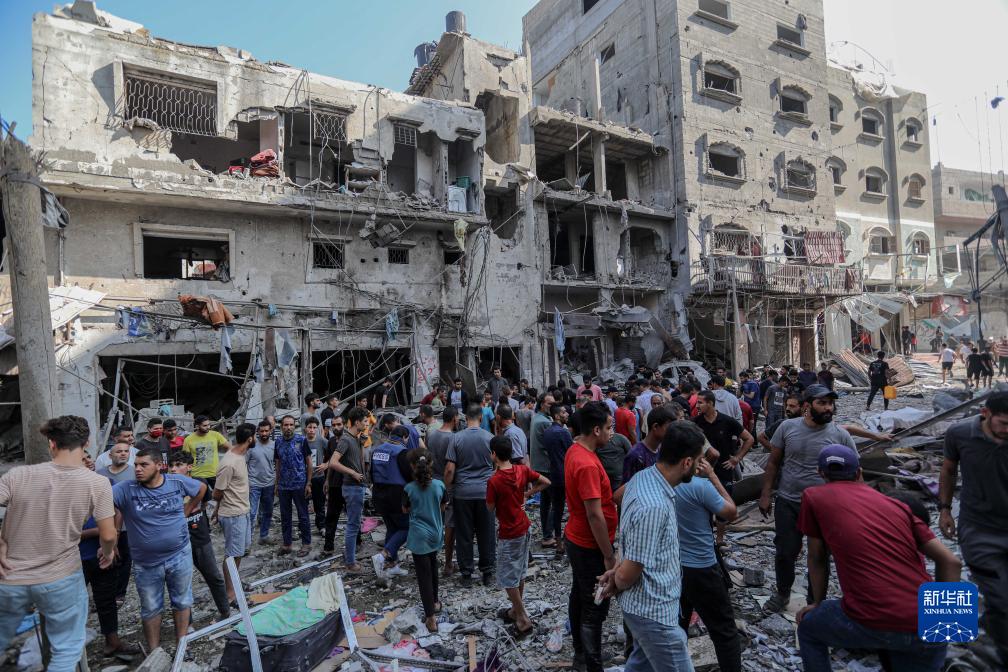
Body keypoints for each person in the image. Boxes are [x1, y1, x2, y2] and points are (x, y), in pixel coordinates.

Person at [797, 444, 962, 672]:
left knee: (808, 628)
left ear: (820, 473)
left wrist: (817, 603)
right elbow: (952, 562)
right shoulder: (897, 505)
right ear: (859, 472)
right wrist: (945, 623)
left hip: (875, 618)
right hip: (925, 619)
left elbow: (817, 557)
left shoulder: (813, 496)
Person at [0, 416, 117, 671]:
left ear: (51, 443)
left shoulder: (18, 475)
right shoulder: (97, 483)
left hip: (10, 577)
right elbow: (108, 535)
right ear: (86, 443)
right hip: (60, 577)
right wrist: (107, 553)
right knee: (65, 649)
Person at [599, 420, 704, 672]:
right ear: (686, 462)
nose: (700, 466)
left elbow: (632, 541)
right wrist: (617, 577)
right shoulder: (654, 506)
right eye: (698, 460)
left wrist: (617, 571)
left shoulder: (643, 477)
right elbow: (627, 575)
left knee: (641, 665)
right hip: (653, 612)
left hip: (648, 609)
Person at [758, 385, 856, 613]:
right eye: (822, 403)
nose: (828, 408)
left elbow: (855, 471)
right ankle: (782, 593)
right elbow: (773, 462)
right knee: (785, 552)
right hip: (788, 501)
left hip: (823, 507)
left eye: (830, 403)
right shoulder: (787, 427)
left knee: (820, 555)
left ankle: (815, 602)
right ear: (806, 406)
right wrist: (765, 494)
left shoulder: (840, 435)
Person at [939, 392, 1008, 668]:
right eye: (1004, 424)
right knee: (1001, 598)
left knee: (999, 600)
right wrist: (944, 508)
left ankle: (989, 639)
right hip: (979, 530)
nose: (1007, 430)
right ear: (985, 414)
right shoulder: (959, 434)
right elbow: (948, 469)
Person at [114, 447, 206, 651]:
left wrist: (187, 509)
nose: (137, 469)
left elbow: (201, 488)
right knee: (150, 608)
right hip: (145, 563)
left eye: (143, 465)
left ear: (158, 465)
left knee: (182, 601)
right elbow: (102, 502)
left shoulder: (176, 482)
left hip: (179, 554)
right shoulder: (125, 488)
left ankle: (182, 646)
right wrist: (111, 538)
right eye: (136, 465)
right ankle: (154, 651)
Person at [564, 402, 618, 672]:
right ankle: (590, 663)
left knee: (581, 595)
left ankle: (582, 653)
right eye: (609, 427)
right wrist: (608, 555)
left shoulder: (576, 449)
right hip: (588, 543)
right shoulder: (586, 463)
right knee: (594, 605)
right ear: (596, 430)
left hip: (578, 537)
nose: (611, 432)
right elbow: (594, 514)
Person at [675, 453, 741, 672]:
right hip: (702, 567)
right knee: (724, 631)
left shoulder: (657, 481)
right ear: (689, 460)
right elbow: (731, 512)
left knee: (677, 628)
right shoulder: (700, 486)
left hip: (673, 567)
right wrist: (712, 475)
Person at [486, 435, 550, 637]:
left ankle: (522, 617)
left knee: (507, 577)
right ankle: (515, 610)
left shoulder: (494, 480)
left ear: (494, 454)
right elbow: (545, 482)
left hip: (509, 532)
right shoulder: (521, 470)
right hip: (524, 526)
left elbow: (490, 507)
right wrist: (526, 495)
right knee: (520, 570)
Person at [167, 452, 230, 620]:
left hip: (200, 538)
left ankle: (225, 611)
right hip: (177, 542)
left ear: (189, 467)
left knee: (213, 576)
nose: (173, 469)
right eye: (171, 465)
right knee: (182, 584)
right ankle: (186, 623)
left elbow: (205, 503)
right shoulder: (166, 487)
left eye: (178, 465)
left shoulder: (200, 483)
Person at [693, 390, 753, 549]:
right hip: (702, 470)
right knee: (703, 505)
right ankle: (707, 538)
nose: (697, 405)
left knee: (722, 505)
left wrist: (737, 459)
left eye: (700, 402)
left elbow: (749, 438)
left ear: (710, 403)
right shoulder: (696, 422)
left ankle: (719, 539)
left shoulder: (727, 421)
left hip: (723, 469)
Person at [444, 404, 496, 586]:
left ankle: (466, 574)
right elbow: (496, 466)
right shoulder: (490, 438)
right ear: (481, 418)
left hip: (463, 493)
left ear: (466, 418)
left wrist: (447, 490)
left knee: (464, 534)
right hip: (485, 493)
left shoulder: (456, 438)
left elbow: (449, 470)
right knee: (486, 533)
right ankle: (487, 572)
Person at [403, 449, 447, 633]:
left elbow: (405, 509)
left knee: (424, 576)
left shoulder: (408, 489)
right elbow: (443, 506)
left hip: (419, 536)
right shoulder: (439, 485)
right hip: (436, 533)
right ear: (431, 464)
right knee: (433, 566)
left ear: (412, 466)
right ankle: (435, 602)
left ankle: (430, 618)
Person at [213, 423, 253, 603]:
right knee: (232, 554)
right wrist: (218, 509)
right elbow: (217, 493)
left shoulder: (240, 455)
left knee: (239, 552)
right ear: (250, 439)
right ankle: (230, 594)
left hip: (242, 510)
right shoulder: (229, 463)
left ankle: (234, 583)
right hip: (233, 514)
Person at [370, 426, 413, 582]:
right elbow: (409, 476)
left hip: (378, 493)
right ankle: (383, 555)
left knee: (392, 528)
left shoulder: (377, 450)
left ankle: (391, 565)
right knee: (408, 527)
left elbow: (371, 473)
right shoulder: (401, 452)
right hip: (396, 494)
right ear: (405, 437)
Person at [327, 406, 368, 570]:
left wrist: (362, 444)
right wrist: (352, 473)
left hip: (357, 486)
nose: (367, 424)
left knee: (354, 524)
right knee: (352, 525)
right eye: (365, 421)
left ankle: (350, 557)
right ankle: (350, 562)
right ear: (357, 422)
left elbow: (359, 462)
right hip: (352, 487)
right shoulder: (345, 439)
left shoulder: (355, 438)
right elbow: (333, 462)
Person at [425, 406, 458, 575]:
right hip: (447, 484)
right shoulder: (453, 438)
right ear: (454, 419)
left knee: (434, 521)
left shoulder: (431, 435)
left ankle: (430, 559)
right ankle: (448, 563)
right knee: (449, 524)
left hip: (433, 482)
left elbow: (427, 459)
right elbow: (451, 468)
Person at [274, 415, 313, 557]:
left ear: (294, 426)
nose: (288, 427)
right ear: (281, 427)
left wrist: (309, 483)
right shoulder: (278, 442)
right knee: (285, 516)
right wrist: (276, 483)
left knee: (303, 515)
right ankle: (287, 544)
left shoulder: (301, 440)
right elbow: (278, 463)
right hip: (284, 486)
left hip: (299, 484)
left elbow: (309, 462)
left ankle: (306, 544)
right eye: (286, 425)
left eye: (291, 424)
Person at [542, 403, 573, 549]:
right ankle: (563, 540)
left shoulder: (547, 432)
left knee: (557, 508)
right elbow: (571, 451)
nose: (567, 414)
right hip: (564, 474)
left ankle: (558, 540)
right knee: (567, 508)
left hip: (553, 472)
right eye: (564, 412)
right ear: (556, 416)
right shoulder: (563, 433)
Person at [623, 406, 676, 485]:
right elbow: (628, 488)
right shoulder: (636, 455)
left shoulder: (660, 449)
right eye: (669, 429)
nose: (672, 433)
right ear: (655, 427)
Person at [320, 413, 348, 557]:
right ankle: (328, 546)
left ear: (344, 425)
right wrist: (327, 480)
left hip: (349, 484)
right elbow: (330, 462)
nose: (336, 427)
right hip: (335, 485)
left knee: (352, 516)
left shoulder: (350, 440)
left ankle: (357, 543)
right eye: (334, 425)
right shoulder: (331, 441)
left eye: (339, 424)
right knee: (331, 516)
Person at [183, 415, 231, 492]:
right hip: (197, 475)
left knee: (220, 496)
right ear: (197, 426)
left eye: (209, 424)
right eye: (205, 425)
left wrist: (226, 462)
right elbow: (185, 459)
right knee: (201, 497)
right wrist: (187, 475)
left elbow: (230, 447)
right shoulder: (188, 440)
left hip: (214, 473)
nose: (208, 427)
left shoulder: (215, 435)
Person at [247, 420, 276, 544]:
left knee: (268, 512)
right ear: (257, 431)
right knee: (252, 513)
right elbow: (244, 463)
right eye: (261, 431)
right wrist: (246, 483)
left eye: (266, 431)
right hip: (253, 484)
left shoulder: (275, 445)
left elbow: (277, 464)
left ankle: (264, 536)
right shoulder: (251, 446)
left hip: (269, 484)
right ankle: (247, 541)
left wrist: (276, 482)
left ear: (271, 431)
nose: (264, 433)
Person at [303, 418, 328, 534]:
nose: (312, 430)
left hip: (318, 477)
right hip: (303, 478)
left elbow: (335, 452)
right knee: (303, 504)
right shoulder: (302, 441)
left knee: (320, 505)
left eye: (314, 428)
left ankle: (321, 526)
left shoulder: (321, 440)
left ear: (317, 429)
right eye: (309, 427)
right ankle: (304, 528)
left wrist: (326, 464)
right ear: (305, 428)